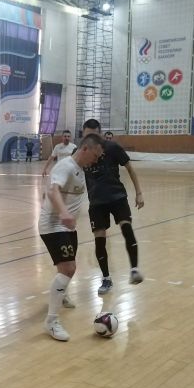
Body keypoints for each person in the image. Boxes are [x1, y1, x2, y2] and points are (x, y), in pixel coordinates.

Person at [38, 131, 104, 341]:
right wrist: (64, 213)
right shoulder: (65, 166)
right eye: (95, 155)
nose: (96, 160)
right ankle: (51, 322)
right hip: (53, 225)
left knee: (66, 269)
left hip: (67, 227)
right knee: (69, 268)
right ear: (85, 149)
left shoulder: (80, 170)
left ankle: (61, 293)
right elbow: (53, 191)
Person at [81, 119, 144, 296]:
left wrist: (139, 193)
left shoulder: (112, 148)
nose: (91, 139)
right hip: (96, 202)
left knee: (126, 227)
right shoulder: (80, 152)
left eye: (94, 134)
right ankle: (106, 278)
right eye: (87, 135)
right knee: (100, 240)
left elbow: (130, 168)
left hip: (117, 197)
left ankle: (134, 269)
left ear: (100, 133)